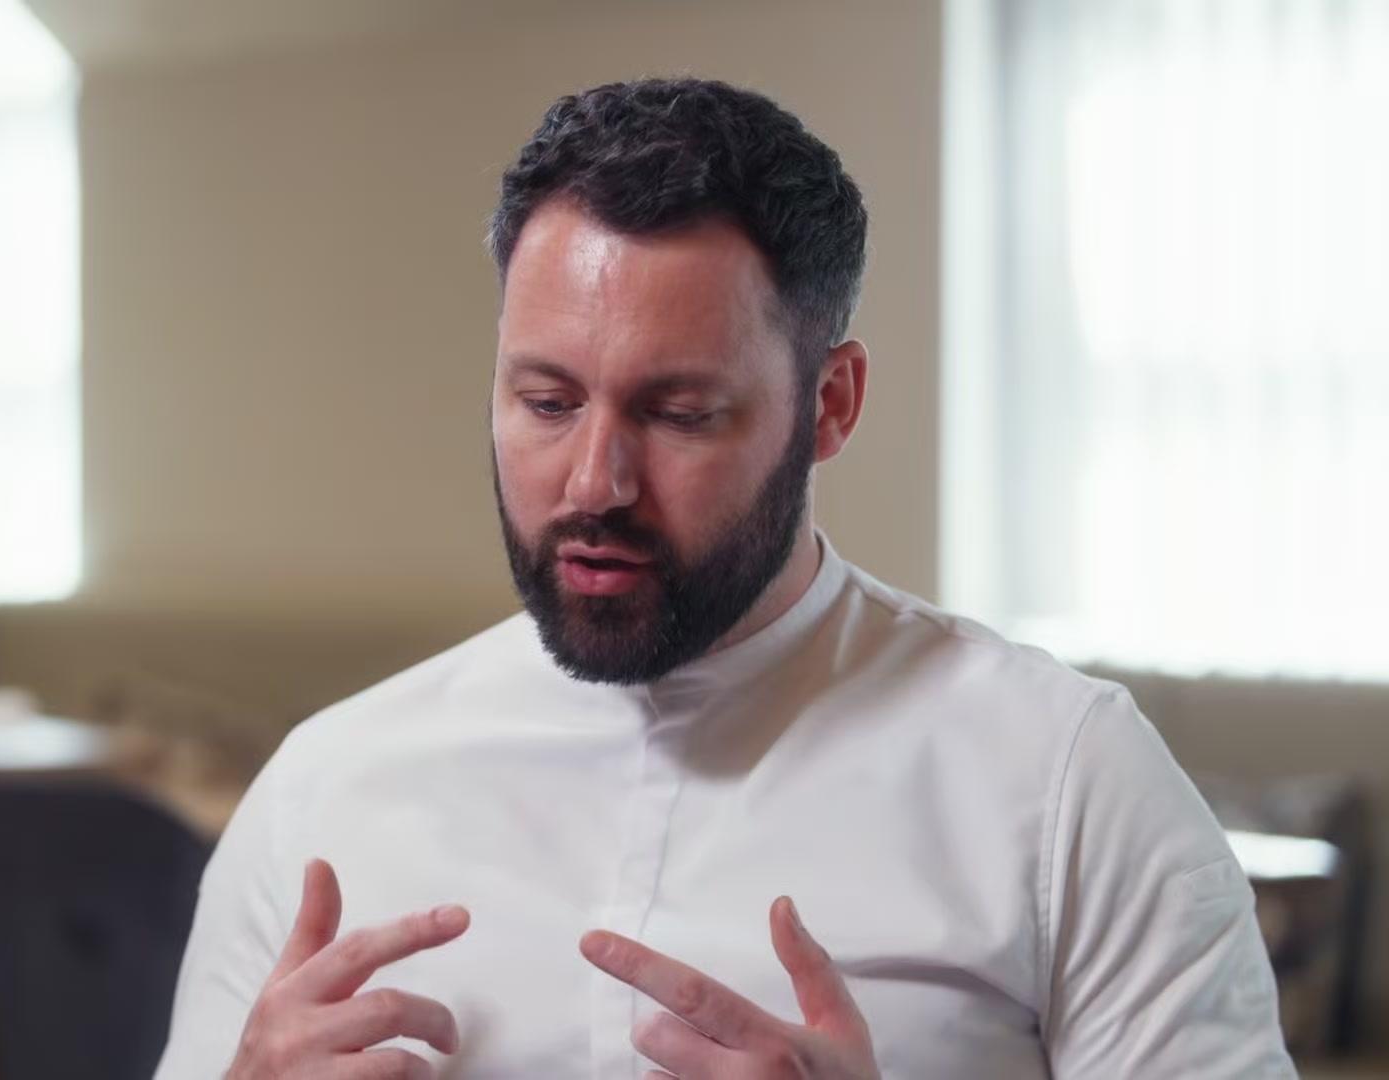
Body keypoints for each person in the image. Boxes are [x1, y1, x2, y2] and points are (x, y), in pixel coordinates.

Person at [152, 77, 1293, 1079]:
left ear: (830, 405)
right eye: (547, 402)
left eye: (680, 413)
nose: (594, 482)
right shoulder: (325, 788)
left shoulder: (1069, 786)